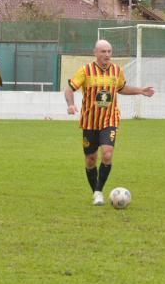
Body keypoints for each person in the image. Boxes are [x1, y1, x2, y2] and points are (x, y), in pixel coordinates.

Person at [64, 40, 154, 205]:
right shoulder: (86, 70)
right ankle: (96, 192)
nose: (107, 55)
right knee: (91, 159)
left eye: (109, 51)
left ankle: (98, 192)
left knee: (107, 154)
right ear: (95, 53)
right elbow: (69, 88)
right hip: (90, 122)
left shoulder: (116, 71)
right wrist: (70, 105)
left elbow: (121, 88)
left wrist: (140, 90)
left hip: (109, 119)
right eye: (103, 51)